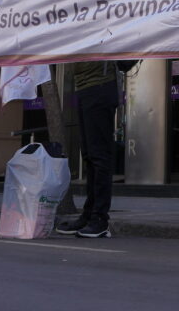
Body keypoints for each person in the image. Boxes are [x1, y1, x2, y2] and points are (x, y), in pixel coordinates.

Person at [57, 60, 133, 239]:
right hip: (85, 86)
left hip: (100, 85)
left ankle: (100, 219)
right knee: (89, 155)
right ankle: (89, 215)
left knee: (99, 155)